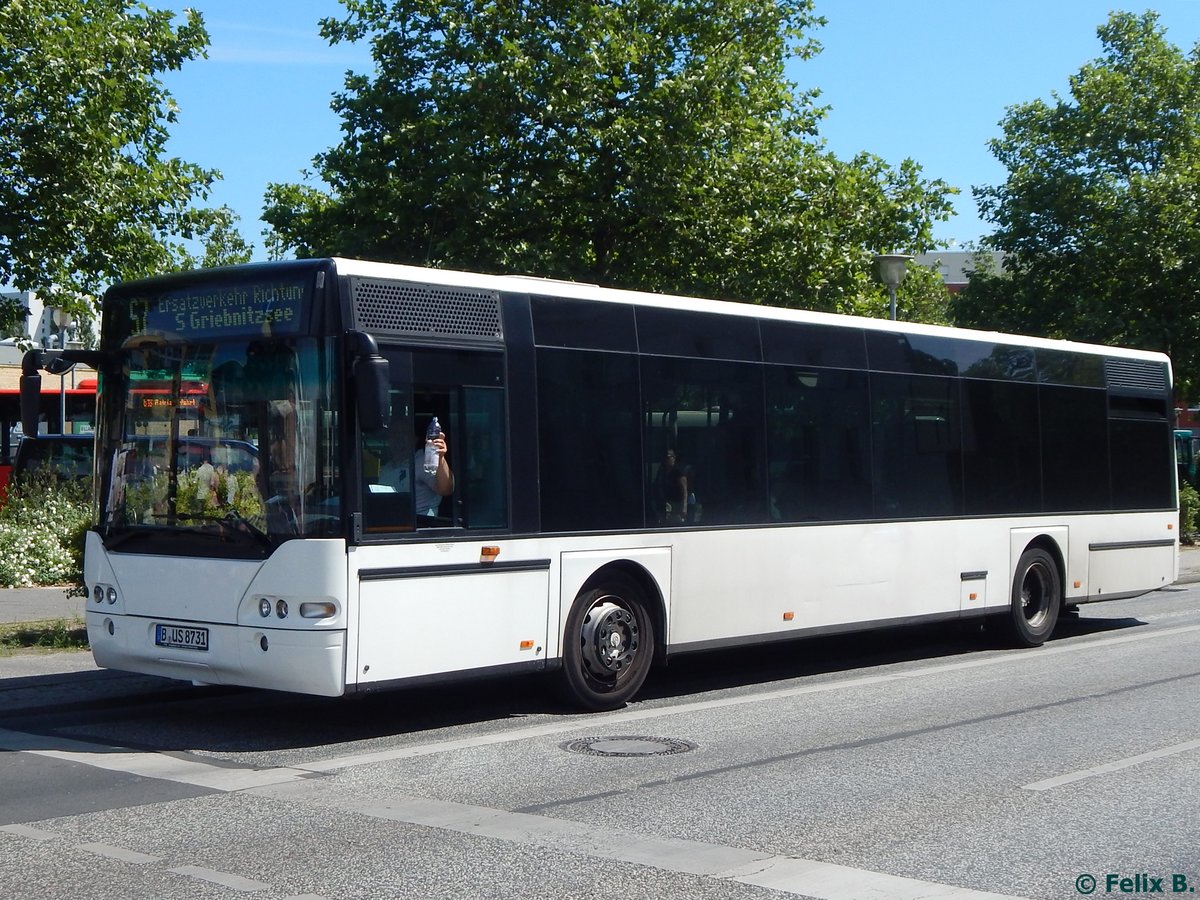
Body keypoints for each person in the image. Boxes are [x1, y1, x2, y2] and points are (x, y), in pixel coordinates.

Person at [414, 420, 454, 516]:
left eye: (401, 434)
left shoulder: (423, 460)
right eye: (393, 434)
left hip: (420, 524)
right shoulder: (387, 466)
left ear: (414, 439)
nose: (397, 439)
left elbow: (446, 489)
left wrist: (440, 458)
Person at [652, 448, 688, 524]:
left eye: (668, 457)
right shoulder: (662, 470)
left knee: (675, 522)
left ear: (674, 458)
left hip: (676, 503)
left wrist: (684, 507)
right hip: (665, 502)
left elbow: (684, 490)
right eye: (665, 457)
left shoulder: (678, 471)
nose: (666, 460)